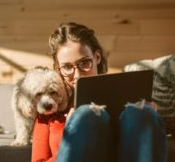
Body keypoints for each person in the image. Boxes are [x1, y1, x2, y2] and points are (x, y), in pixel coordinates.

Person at [31, 22, 167, 162]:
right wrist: (71, 131)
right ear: (58, 68)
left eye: (84, 62)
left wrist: (150, 117)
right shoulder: (48, 110)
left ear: (97, 57)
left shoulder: (129, 107)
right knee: (87, 114)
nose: (77, 75)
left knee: (142, 112)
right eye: (67, 67)